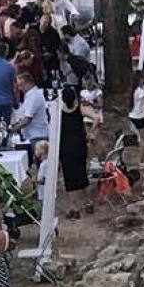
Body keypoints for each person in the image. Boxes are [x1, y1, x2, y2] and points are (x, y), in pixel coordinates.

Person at [58, 86, 89, 218]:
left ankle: (73, 205)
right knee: (81, 172)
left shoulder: (59, 113)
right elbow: (96, 117)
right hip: (80, 145)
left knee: (69, 176)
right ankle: (86, 202)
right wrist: (90, 132)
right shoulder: (79, 109)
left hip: (65, 147)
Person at [10, 72, 50, 147]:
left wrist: (12, 130)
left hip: (37, 136)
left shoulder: (33, 97)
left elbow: (27, 119)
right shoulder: (29, 96)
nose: (19, 88)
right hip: (33, 135)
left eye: (21, 85)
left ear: (28, 83)